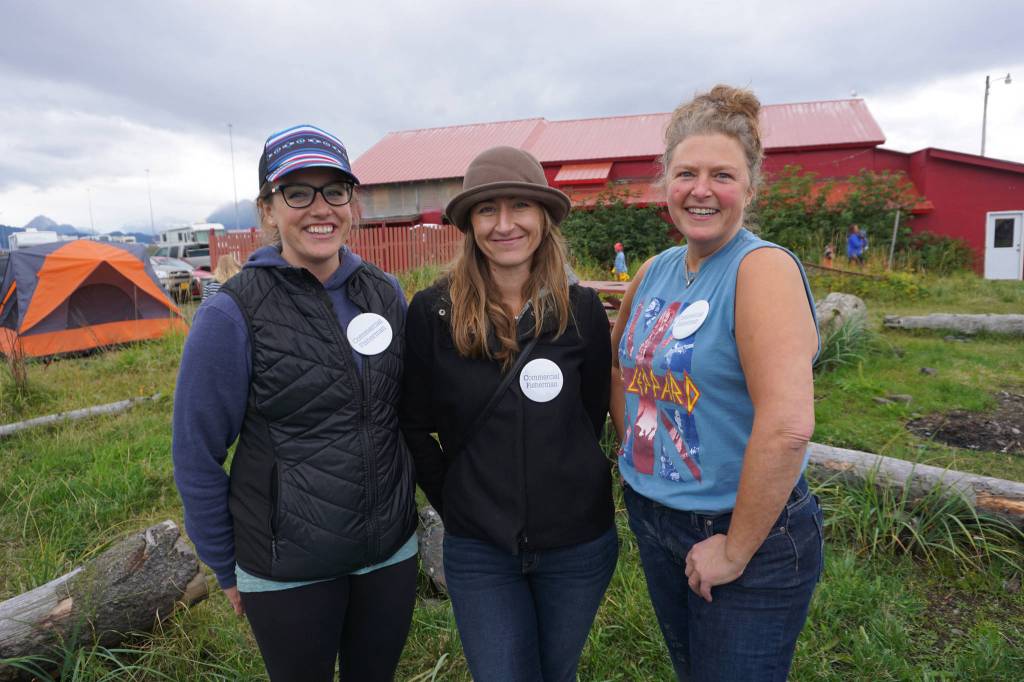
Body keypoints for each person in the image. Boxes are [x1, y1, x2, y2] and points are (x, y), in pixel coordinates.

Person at [172, 124, 418, 682]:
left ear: (351, 203)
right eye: (297, 192)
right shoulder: (231, 314)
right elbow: (196, 452)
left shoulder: (384, 293)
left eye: (334, 190)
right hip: (287, 568)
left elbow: (409, 413)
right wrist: (225, 565)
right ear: (267, 209)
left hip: (389, 552)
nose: (319, 208)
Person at [610, 86, 823, 681]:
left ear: (750, 189)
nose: (701, 190)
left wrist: (735, 548)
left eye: (722, 175)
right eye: (686, 174)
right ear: (666, 185)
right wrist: (639, 457)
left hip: (740, 528)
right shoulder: (655, 270)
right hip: (657, 517)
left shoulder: (762, 270)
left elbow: (787, 426)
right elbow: (621, 366)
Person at [401, 146, 617, 682]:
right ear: (469, 223)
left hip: (578, 544)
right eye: (486, 210)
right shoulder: (433, 313)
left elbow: (590, 419)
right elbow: (411, 423)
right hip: (480, 549)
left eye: (519, 205)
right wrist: (456, 499)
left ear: (543, 217)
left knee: (556, 672)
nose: (504, 225)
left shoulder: (581, 311)